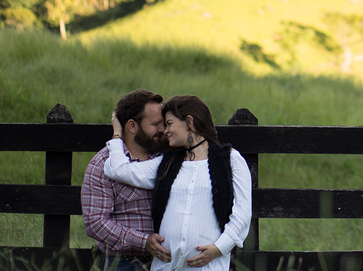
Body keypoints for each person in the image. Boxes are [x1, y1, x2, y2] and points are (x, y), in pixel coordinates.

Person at [103, 95, 252, 271]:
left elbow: (243, 212)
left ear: (189, 122)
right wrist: (117, 134)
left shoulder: (230, 160)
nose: (165, 130)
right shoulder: (167, 162)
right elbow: (118, 170)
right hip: (165, 267)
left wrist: (219, 248)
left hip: (208, 267)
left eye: (169, 123)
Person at [82, 89, 170, 271]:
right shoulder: (103, 164)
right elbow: (95, 223)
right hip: (124, 263)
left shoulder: (168, 157)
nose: (163, 129)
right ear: (132, 126)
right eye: (155, 124)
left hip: (169, 260)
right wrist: (143, 241)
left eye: (164, 123)